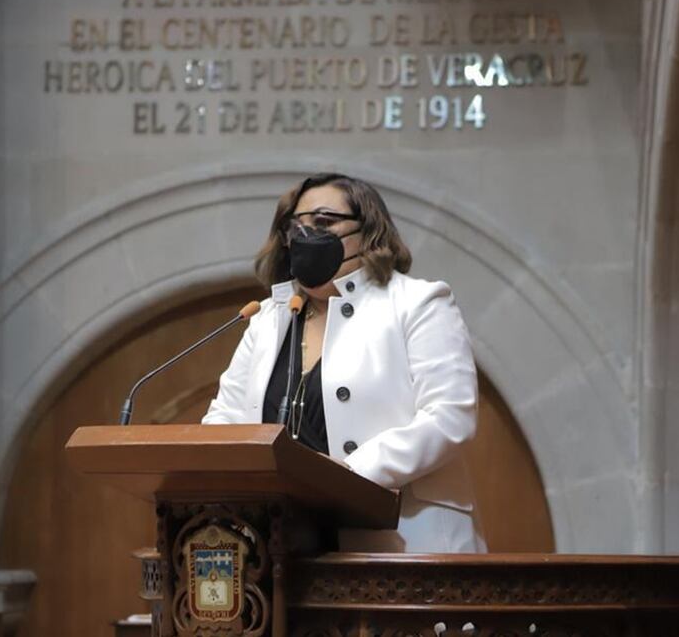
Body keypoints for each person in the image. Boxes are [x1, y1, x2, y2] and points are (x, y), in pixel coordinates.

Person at [202, 173, 484, 554]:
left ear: (367, 231)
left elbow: (450, 416)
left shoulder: (417, 303)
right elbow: (224, 420)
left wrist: (345, 476)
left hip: (406, 542)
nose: (306, 235)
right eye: (296, 226)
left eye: (323, 222)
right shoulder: (269, 317)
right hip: (283, 546)